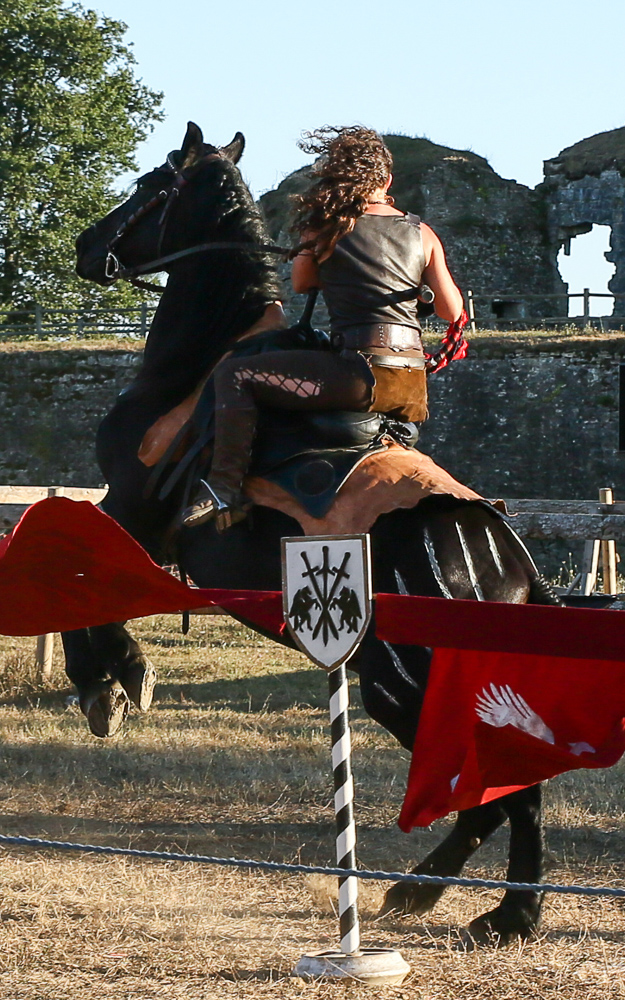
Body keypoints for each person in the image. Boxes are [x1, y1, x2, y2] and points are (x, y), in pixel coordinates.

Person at [182, 126, 464, 531]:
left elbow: (301, 283)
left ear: (338, 179)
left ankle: (223, 489)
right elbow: (453, 311)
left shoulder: (326, 227)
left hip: (355, 377)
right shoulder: (423, 232)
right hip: (411, 383)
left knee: (234, 373)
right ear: (386, 181)